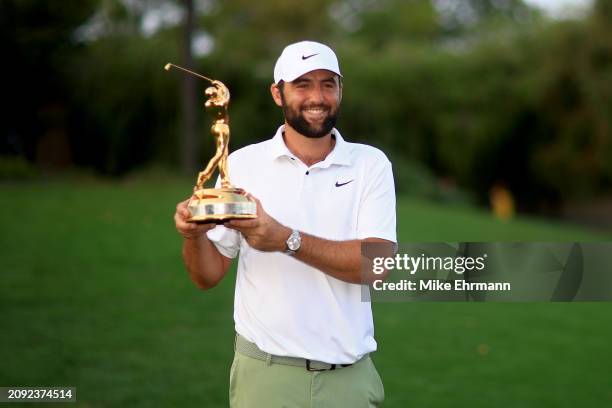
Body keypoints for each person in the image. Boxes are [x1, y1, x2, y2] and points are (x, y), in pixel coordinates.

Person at [174, 40, 396, 407]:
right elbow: (206, 276)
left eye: (328, 84)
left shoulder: (370, 164)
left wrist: (286, 239)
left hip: (348, 379)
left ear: (341, 90)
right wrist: (193, 236)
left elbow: (378, 264)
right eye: (302, 84)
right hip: (265, 376)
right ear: (277, 94)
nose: (317, 97)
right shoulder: (242, 165)